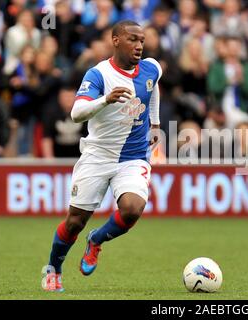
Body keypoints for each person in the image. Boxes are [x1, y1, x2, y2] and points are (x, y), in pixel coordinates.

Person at [42, 20, 162, 292]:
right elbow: (76, 114)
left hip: (133, 156)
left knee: (132, 209)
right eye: (132, 39)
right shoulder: (98, 75)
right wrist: (106, 100)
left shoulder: (152, 68)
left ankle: (96, 240)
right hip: (97, 155)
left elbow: (153, 88)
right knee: (74, 223)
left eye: (142, 40)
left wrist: (154, 123)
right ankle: (53, 267)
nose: (139, 45)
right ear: (116, 40)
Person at [41, 86, 87, 158]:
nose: (68, 99)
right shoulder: (51, 114)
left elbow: (89, 138)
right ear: (59, 98)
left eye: (71, 96)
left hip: (80, 158)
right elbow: (47, 138)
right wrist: (49, 162)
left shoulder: (84, 113)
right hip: (58, 160)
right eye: (65, 97)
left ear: (76, 98)